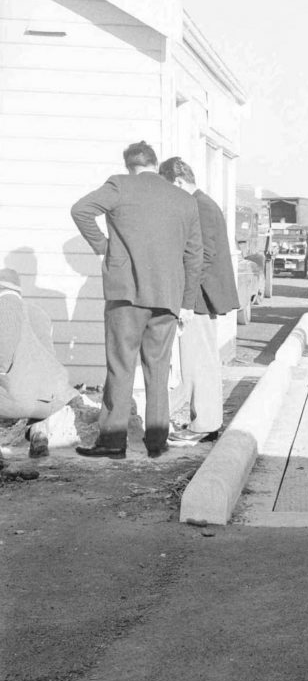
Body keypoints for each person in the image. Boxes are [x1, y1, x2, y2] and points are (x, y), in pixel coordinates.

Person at [70, 141, 202, 458]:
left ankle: (113, 442)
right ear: (155, 165)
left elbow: (80, 210)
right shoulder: (184, 199)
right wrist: (187, 303)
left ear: (130, 166)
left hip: (126, 296)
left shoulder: (120, 185)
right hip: (167, 298)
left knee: (120, 366)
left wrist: (103, 246)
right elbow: (195, 255)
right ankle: (157, 442)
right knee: (159, 370)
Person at [158, 157, 240, 445]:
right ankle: (205, 423)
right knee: (201, 361)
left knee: (199, 363)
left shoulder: (200, 207)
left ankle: (204, 426)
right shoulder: (203, 203)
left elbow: (203, 258)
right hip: (202, 297)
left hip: (201, 298)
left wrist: (186, 302)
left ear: (179, 183)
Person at [0, 269, 79, 458]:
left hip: (18, 400)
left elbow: (3, 356)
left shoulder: (3, 308)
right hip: (49, 400)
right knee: (38, 379)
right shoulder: (39, 313)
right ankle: (39, 433)